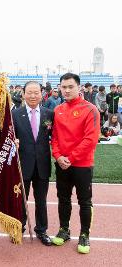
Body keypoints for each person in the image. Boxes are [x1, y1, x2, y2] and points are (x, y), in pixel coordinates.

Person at [51, 73, 100, 254]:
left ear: (79, 88)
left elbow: (91, 139)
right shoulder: (58, 110)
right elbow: (54, 137)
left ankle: (84, 234)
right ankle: (64, 230)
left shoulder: (90, 109)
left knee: (84, 201)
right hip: (62, 163)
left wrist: (70, 158)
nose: (67, 90)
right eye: (63, 87)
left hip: (82, 165)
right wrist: (57, 156)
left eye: (70, 87)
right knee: (63, 199)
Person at [12, 81, 54, 246]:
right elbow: (9, 136)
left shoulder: (49, 114)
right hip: (23, 164)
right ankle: (19, 228)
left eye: (36, 92)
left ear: (42, 93)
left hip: (43, 164)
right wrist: (12, 141)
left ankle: (42, 230)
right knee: (21, 199)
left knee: (41, 200)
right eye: (29, 92)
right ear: (23, 93)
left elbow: (55, 136)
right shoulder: (15, 114)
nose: (33, 96)